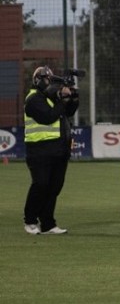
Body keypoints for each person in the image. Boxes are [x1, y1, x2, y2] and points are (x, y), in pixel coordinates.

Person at [22, 67, 80, 235]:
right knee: (40, 185)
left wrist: (72, 97)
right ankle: (30, 220)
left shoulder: (50, 98)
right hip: (39, 150)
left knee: (54, 187)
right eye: (48, 80)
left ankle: (48, 223)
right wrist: (62, 100)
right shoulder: (33, 99)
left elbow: (68, 112)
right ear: (38, 80)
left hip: (58, 149)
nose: (51, 84)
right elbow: (48, 117)